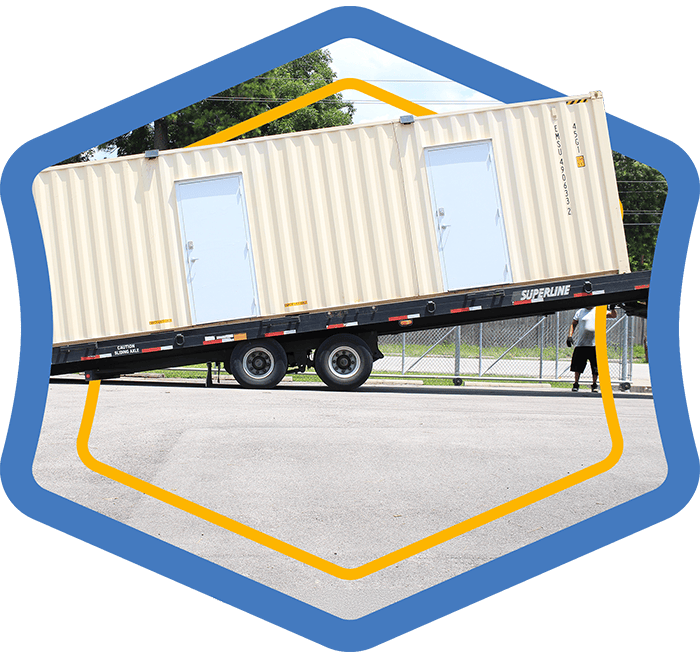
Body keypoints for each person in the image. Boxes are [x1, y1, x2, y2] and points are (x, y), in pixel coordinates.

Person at [566, 305, 617, 392]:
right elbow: (573, 323)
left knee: (596, 367)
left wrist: (612, 308)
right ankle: (576, 383)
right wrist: (569, 336)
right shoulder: (580, 311)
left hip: (596, 344)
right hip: (581, 344)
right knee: (577, 366)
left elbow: (613, 315)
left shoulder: (599, 310)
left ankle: (594, 385)